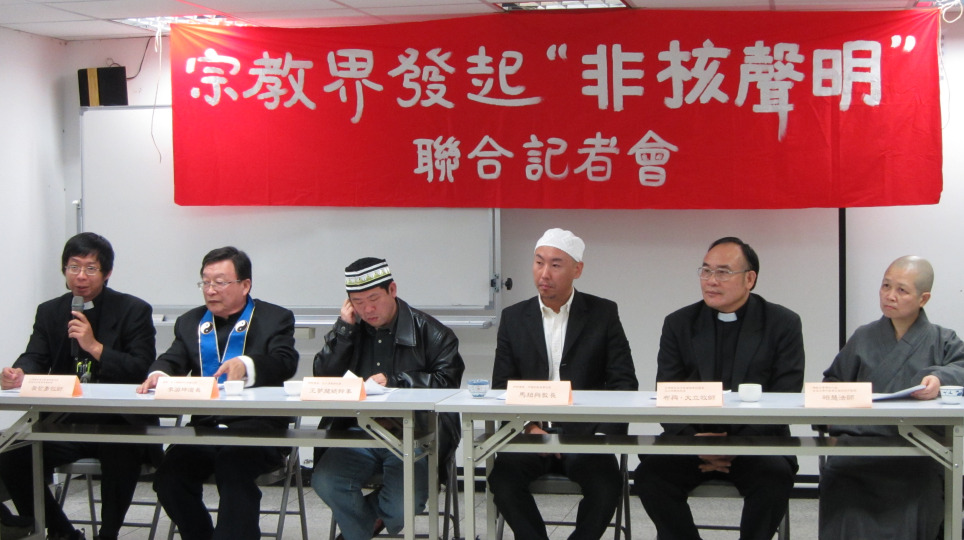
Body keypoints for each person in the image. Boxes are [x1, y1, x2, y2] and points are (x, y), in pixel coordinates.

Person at [635, 236, 804, 540]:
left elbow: (786, 395)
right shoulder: (679, 323)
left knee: (774, 478)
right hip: (691, 440)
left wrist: (735, 444)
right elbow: (667, 392)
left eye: (723, 272)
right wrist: (695, 442)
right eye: (706, 271)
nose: (711, 281)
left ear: (749, 279)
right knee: (651, 476)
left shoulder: (782, 323)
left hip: (757, 442)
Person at [0, 232, 156, 540]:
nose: (81, 276)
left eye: (90, 268)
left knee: (120, 454)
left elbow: (141, 368)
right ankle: (62, 533)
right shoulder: (50, 311)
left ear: (107, 272)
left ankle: (107, 535)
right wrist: (19, 373)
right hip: (65, 421)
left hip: (120, 422)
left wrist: (95, 347)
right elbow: (35, 356)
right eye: (73, 267)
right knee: (11, 456)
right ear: (64, 270)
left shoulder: (133, 310)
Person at [136, 246, 297, 540]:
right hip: (206, 427)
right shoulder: (191, 322)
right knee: (170, 477)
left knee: (233, 468)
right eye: (206, 282)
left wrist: (246, 365)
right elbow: (173, 358)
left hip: (259, 429)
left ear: (245, 285)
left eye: (220, 282)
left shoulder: (275, 318)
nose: (210, 290)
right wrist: (159, 374)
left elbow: (284, 361)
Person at [488, 228, 638, 540]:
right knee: (503, 480)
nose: (544, 273)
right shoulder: (514, 318)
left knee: (606, 486)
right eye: (538, 262)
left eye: (556, 265)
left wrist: (597, 434)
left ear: (577, 270)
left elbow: (624, 382)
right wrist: (528, 426)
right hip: (532, 433)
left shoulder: (603, 314)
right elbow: (502, 386)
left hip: (585, 436)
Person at [312, 257, 464, 540]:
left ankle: (360, 530)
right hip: (358, 433)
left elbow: (448, 384)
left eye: (374, 299)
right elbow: (323, 379)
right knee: (326, 481)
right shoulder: (349, 330)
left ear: (392, 290)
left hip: (415, 436)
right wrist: (343, 332)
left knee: (402, 504)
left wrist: (396, 382)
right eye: (357, 302)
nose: (367, 309)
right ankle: (365, 527)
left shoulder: (433, 333)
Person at [819, 256, 964, 539]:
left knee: (922, 486)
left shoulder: (943, 340)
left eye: (902, 290)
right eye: (886, 286)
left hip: (918, 449)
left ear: (923, 298)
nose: (890, 296)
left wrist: (939, 379)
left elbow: (961, 368)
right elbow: (833, 383)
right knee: (839, 480)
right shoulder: (863, 337)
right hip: (859, 448)